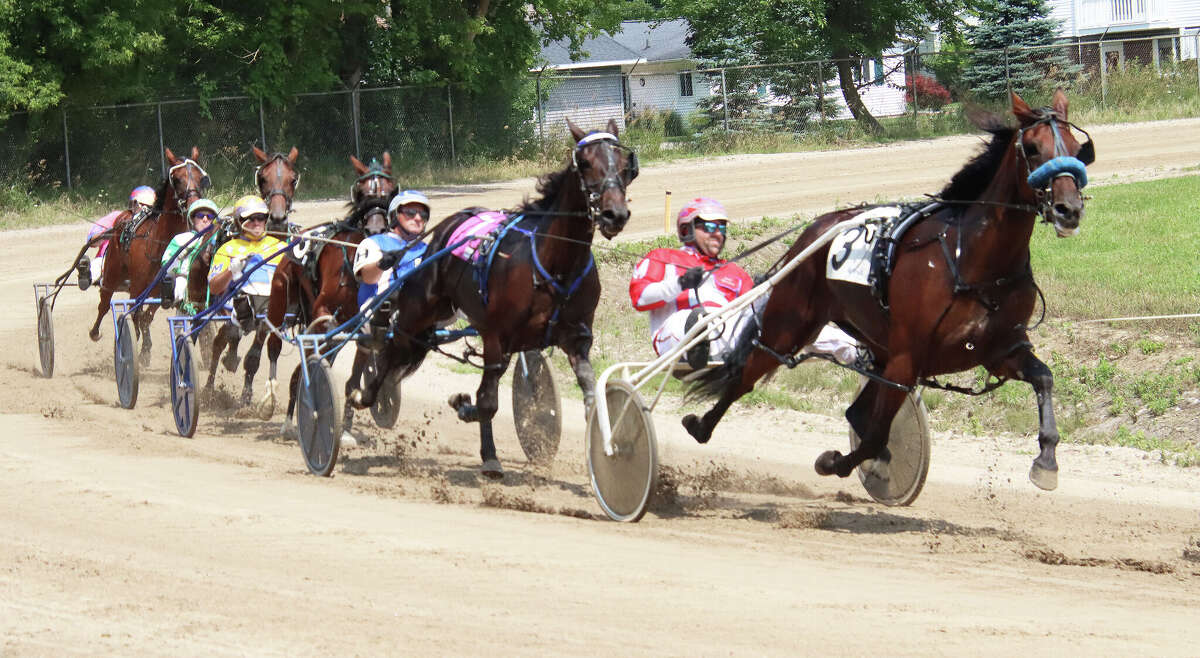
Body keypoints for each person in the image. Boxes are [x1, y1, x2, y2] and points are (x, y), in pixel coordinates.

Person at [629, 197, 857, 367]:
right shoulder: (662, 257)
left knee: (792, 316)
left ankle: (863, 355)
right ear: (686, 229)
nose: (717, 233)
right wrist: (679, 284)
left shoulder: (732, 271)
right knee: (694, 318)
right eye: (709, 226)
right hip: (677, 339)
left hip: (731, 336)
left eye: (722, 227)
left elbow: (755, 311)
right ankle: (705, 345)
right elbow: (640, 299)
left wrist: (769, 292)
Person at [208, 195, 285, 333]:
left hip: (277, 301)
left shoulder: (281, 246)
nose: (256, 222)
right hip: (238, 304)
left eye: (260, 217)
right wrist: (230, 271)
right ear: (239, 221)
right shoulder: (227, 249)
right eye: (250, 218)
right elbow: (214, 288)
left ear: (266, 219)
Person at [352, 189, 431, 309]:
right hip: (380, 315)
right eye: (411, 212)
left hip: (420, 314)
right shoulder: (374, 243)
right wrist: (381, 264)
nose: (418, 218)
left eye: (423, 214)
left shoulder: (429, 249)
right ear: (394, 215)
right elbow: (368, 278)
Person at [78, 185, 156, 289]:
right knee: (99, 263)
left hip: (142, 265)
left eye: (148, 206)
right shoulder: (116, 217)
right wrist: (105, 235)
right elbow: (92, 241)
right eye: (138, 204)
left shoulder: (155, 223)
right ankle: (87, 275)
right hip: (110, 263)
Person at [161, 198, 218, 311]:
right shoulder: (181, 239)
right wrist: (177, 259)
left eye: (210, 217)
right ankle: (183, 312)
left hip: (211, 281)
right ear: (192, 219)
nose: (205, 219)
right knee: (181, 286)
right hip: (185, 279)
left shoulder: (217, 240)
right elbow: (166, 264)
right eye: (201, 215)